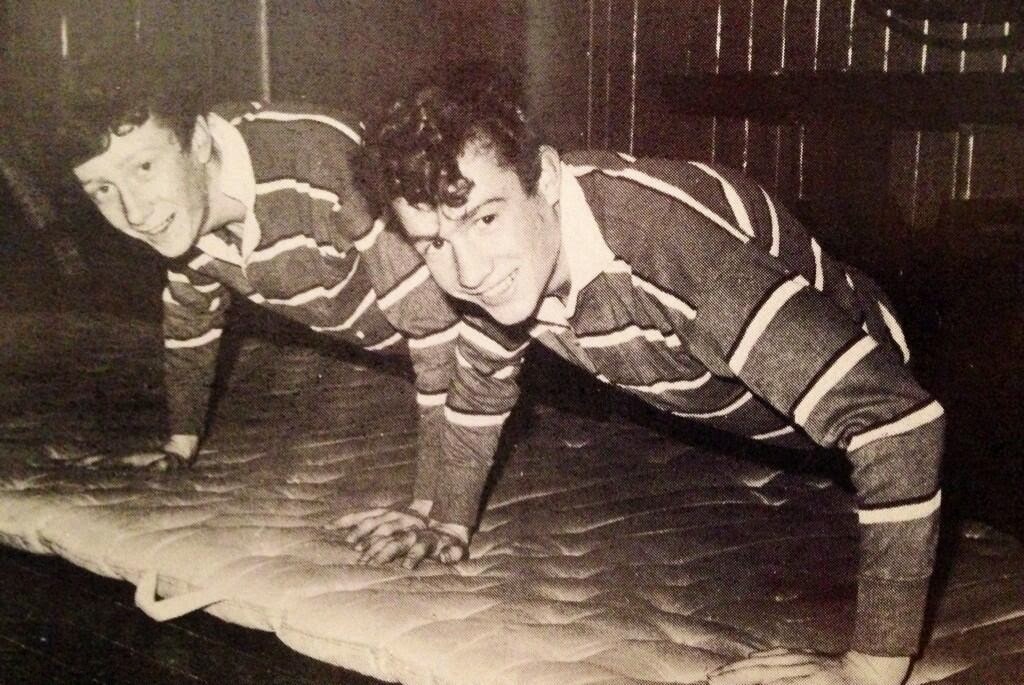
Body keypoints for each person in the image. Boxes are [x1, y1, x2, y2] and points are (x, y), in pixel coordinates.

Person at [359, 68, 946, 685]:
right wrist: (445, 519)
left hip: (886, 372)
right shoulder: (508, 266)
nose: (468, 271)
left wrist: (870, 670)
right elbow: (481, 380)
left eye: (484, 219)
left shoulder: (666, 244)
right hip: (758, 417)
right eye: (433, 243)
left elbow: (897, 422)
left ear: (548, 179)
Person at [56, 52, 460, 525]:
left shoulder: (322, 159)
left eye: (144, 167)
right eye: (103, 189)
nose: (135, 212)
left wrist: (434, 504)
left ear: (199, 141)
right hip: (426, 352)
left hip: (508, 329)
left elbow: (440, 331)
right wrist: (180, 445)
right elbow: (190, 321)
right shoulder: (181, 215)